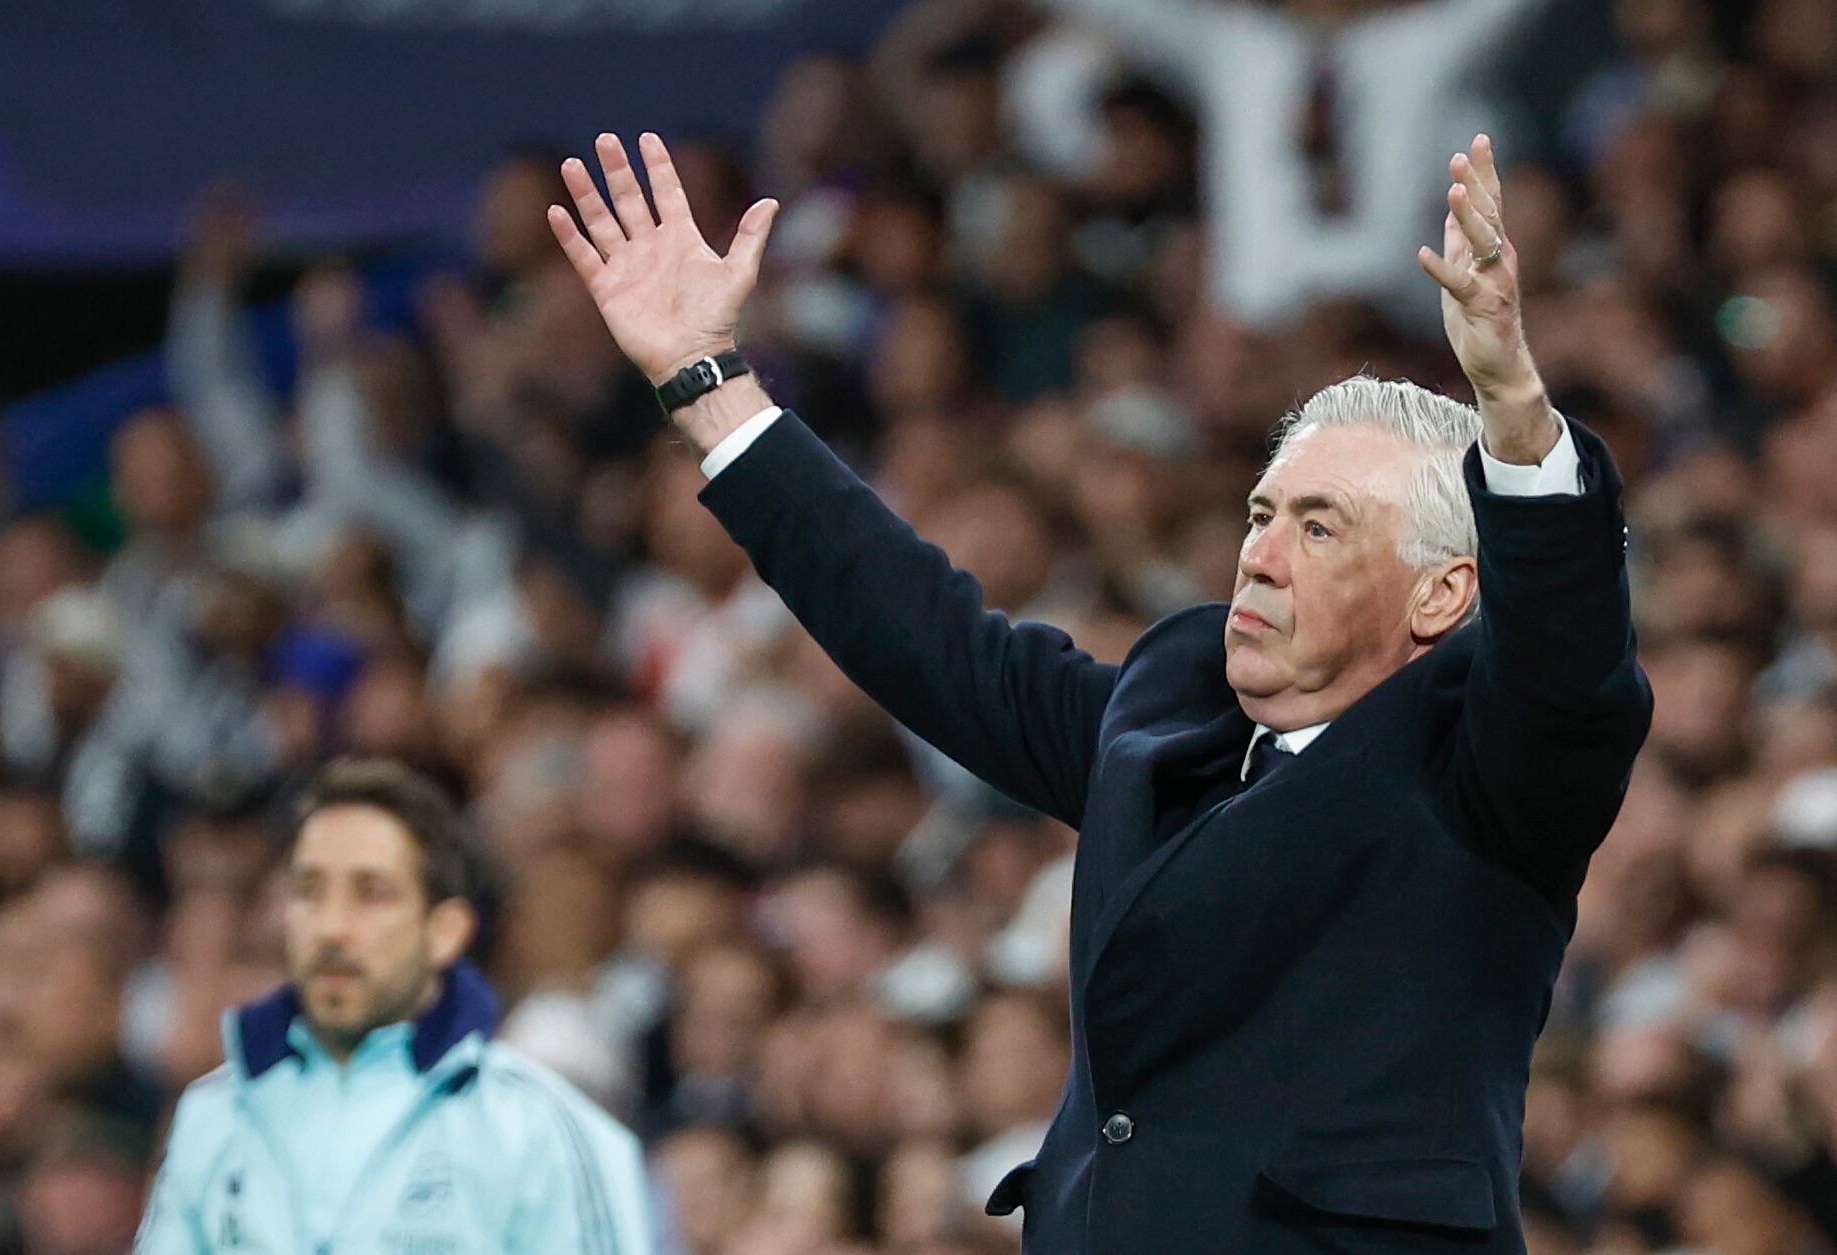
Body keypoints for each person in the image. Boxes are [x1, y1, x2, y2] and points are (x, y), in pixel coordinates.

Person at [548, 128, 1653, 1253]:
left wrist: (1514, 407)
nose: (1261, 555)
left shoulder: (1491, 770)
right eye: (1262, 515)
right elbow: (930, 638)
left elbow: (1570, 666)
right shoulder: (1170, 718)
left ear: (1439, 595)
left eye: (1321, 527)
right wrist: (708, 383)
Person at [134, 759, 654, 1253]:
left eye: (371, 894)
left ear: (444, 931)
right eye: (310, 891)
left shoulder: (544, 1130)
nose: (332, 928)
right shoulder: (213, 1116)